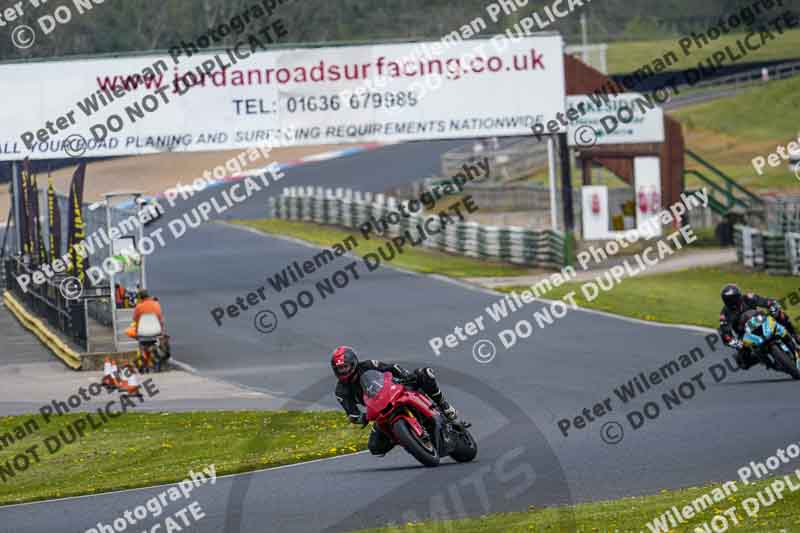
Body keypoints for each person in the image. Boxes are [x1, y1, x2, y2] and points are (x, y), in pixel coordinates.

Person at [331, 346, 457, 456]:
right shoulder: (341, 391)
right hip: (380, 410)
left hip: (395, 391)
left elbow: (391, 368)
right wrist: (361, 418)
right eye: (340, 369)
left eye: (345, 366)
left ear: (353, 362)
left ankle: (444, 405)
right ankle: (407, 438)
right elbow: (351, 413)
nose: (343, 371)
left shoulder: (369, 365)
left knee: (425, 374)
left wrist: (405, 376)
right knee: (375, 447)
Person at [719, 284, 799, 369]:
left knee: (780, 315)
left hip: (761, 320)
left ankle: (794, 334)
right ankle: (762, 359)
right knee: (743, 361)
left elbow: (767, 302)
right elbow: (725, 333)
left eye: (733, 298)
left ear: (739, 295)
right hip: (745, 333)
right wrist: (735, 342)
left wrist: (773, 307)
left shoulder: (748, 298)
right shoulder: (724, 314)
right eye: (729, 300)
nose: (732, 301)